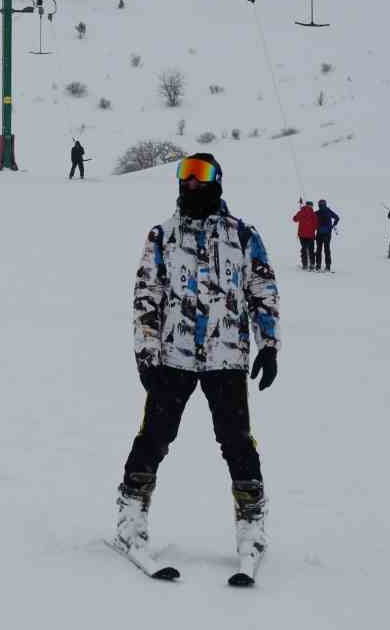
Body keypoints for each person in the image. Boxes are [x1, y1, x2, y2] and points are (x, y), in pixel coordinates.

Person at [116, 153, 279, 574]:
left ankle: (251, 521)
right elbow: (146, 297)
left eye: (200, 174)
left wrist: (269, 343)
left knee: (236, 440)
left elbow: (262, 287)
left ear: (217, 181)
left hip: (226, 356)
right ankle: (131, 513)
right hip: (173, 356)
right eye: (184, 174)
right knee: (155, 435)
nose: (191, 182)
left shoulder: (243, 236)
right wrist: (146, 354)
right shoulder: (162, 236)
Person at [292, 197, 317, 269]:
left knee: (304, 249)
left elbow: (294, 219)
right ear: (311, 206)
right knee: (311, 249)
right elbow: (316, 225)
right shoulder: (313, 214)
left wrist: (300, 214)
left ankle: (305, 264)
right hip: (311, 235)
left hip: (302, 235)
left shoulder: (301, 211)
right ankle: (312, 264)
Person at [315, 198, 339, 272]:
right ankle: (328, 267)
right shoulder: (329, 211)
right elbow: (337, 217)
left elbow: (310, 218)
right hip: (327, 233)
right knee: (327, 250)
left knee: (319, 250)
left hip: (319, 233)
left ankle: (318, 266)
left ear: (319, 205)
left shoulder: (317, 212)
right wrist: (333, 225)